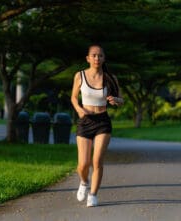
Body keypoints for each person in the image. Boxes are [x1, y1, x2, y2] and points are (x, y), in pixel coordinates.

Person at [71, 44, 124, 207]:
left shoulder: (110, 78)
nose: (97, 58)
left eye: (100, 56)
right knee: (83, 164)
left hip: (102, 121)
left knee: (97, 161)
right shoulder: (79, 76)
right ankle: (84, 182)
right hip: (85, 121)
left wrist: (116, 101)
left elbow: (121, 100)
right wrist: (79, 110)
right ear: (88, 58)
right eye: (93, 55)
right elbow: (73, 98)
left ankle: (93, 194)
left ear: (104, 58)